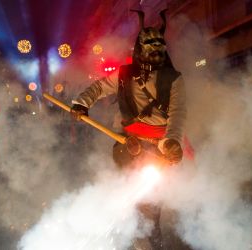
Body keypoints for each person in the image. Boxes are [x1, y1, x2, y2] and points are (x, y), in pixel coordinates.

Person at [70, 9, 186, 250]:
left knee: (154, 202)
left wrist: (172, 142)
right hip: (128, 142)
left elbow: (177, 113)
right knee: (130, 194)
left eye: (158, 45)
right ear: (140, 48)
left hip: (160, 145)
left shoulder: (174, 79)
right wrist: (82, 102)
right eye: (149, 45)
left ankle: (151, 240)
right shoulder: (124, 75)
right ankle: (128, 235)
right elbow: (100, 87)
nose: (154, 50)